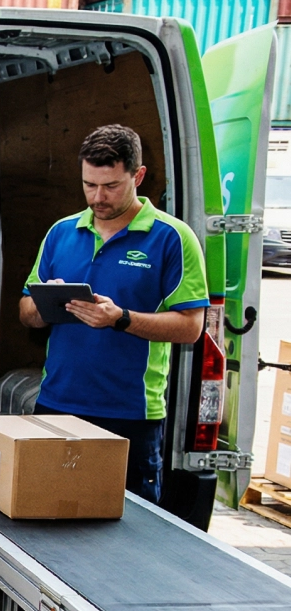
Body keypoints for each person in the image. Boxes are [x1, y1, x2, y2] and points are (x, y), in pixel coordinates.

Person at [20, 124, 208, 504]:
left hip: (130, 415)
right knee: (42, 518)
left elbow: (191, 328)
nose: (98, 197)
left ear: (138, 176)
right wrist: (44, 307)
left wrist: (120, 318)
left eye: (111, 186)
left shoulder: (172, 237)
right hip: (56, 405)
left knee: (123, 535)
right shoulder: (62, 232)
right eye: (89, 185)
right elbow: (25, 311)